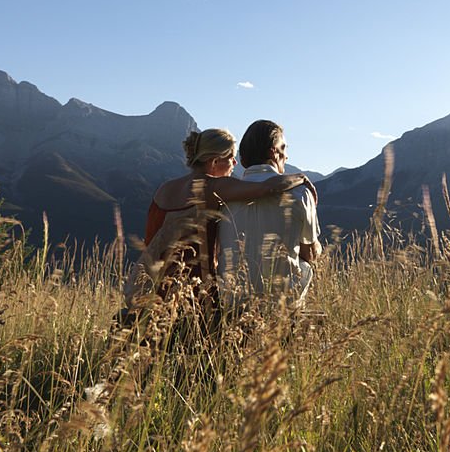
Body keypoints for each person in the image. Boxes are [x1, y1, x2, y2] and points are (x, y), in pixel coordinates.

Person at [124, 128, 309, 329]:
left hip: (152, 288)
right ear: (214, 161)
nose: (235, 163)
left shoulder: (164, 189)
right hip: (194, 295)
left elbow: (151, 238)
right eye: (230, 157)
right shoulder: (214, 187)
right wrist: (299, 178)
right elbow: (265, 189)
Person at [220, 120, 322, 309]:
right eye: (284, 148)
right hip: (280, 302)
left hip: (232, 301)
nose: (287, 156)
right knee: (307, 262)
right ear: (273, 152)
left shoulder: (224, 194)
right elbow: (309, 254)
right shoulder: (300, 194)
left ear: (242, 159)